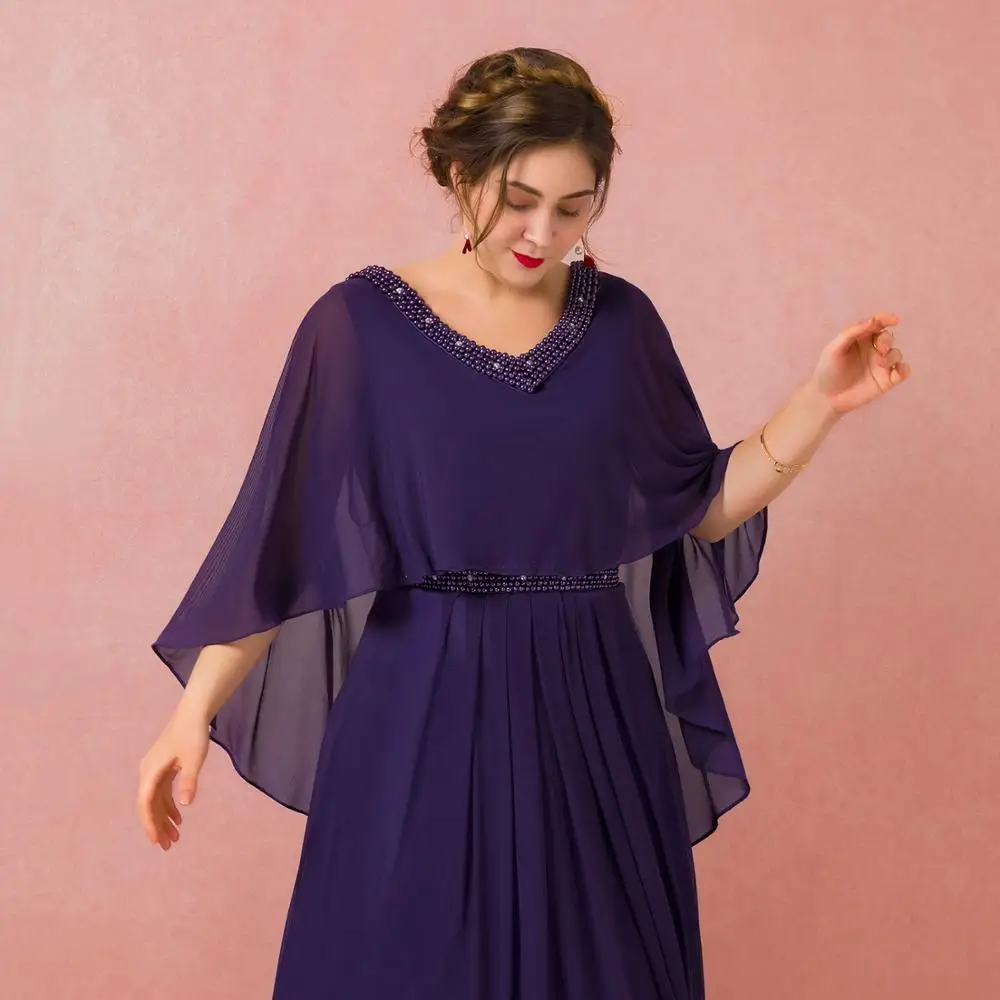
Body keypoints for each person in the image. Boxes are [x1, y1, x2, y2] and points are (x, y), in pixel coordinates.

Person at [136, 46, 910, 1000]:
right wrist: (189, 715)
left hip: (595, 708)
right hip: (418, 708)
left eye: (574, 208)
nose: (545, 232)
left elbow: (701, 507)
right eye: (519, 200)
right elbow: (280, 547)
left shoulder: (622, 324)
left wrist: (821, 402)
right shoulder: (358, 325)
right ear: (458, 173)